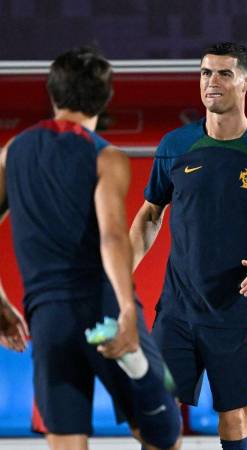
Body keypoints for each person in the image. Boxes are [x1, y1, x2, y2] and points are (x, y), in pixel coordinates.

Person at [130, 42, 247, 450]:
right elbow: (149, 215)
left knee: (233, 418)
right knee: (156, 412)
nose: (212, 82)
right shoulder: (174, 146)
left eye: (224, 73)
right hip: (176, 310)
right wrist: (118, 274)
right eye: (205, 73)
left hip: (235, 312)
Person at [0, 47, 182, 450]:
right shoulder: (107, 157)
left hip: (46, 319)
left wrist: (0, 305)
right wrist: (128, 309)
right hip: (103, 311)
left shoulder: (12, 152)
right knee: (163, 432)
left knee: (66, 441)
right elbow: (113, 236)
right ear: (105, 99)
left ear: (52, 93)